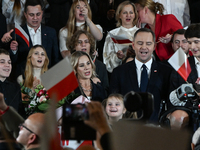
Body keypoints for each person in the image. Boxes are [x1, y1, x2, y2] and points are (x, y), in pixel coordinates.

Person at [109, 28, 171, 122]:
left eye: (148, 43)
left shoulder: (166, 71)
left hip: (156, 129)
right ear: (133, 45)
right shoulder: (119, 72)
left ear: (154, 46)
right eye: (140, 43)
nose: (144, 47)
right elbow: (114, 102)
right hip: (128, 129)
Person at [9, 0, 60, 80]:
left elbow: (55, 59)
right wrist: (13, 51)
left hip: (47, 78)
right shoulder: (17, 33)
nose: (35, 18)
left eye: (38, 14)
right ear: (25, 14)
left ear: (42, 13)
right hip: (24, 79)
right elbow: (13, 61)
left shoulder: (51, 32)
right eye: (31, 15)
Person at [166, 24, 200, 129]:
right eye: (189, 42)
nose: (192, 47)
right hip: (189, 109)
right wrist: (186, 93)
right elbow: (172, 99)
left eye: (196, 42)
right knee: (178, 117)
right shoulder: (182, 64)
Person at [103, 1, 139, 72]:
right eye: (125, 12)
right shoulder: (112, 34)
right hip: (120, 75)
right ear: (119, 15)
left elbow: (151, 57)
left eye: (131, 12)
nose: (128, 15)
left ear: (135, 15)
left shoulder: (142, 33)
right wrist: (117, 58)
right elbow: (107, 63)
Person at [0, 48, 22, 113]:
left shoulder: (16, 87)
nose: (7, 65)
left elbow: (20, 113)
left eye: (9, 62)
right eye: (2, 62)